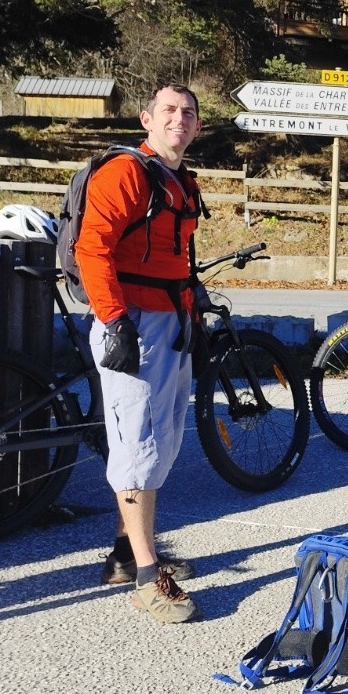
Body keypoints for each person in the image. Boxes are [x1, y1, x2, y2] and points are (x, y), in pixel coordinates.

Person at [77, 83, 207, 624]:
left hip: (169, 321)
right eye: (169, 111)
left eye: (189, 113)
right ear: (146, 119)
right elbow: (93, 248)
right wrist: (113, 321)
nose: (179, 119)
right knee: (139, 446)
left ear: (198, 126)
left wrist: (193, 305)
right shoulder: (126, 172)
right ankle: (149, 579)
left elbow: (176, 254)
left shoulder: (179, 178)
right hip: (132, 322)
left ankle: (126, 552)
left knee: (159, 439)